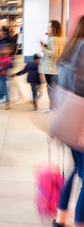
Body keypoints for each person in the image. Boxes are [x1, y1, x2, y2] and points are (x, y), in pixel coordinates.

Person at [52, 15, 84, 227]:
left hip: (67, 120)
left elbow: (59, 84)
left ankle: (60, 218)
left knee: (75, 169)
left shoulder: (69, 49)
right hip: (81, 121)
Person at [39, 20, 64, 113]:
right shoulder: (58, 38)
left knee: (51, 88)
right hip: (54, 68)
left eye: (49, 27)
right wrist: (45, 46)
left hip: (50, 68)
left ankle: (52, 107)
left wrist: (43, 49)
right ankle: (54, 107)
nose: (47, 28)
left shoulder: (54, 39)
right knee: (53, 88)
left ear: (54, 28)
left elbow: (54, 54)